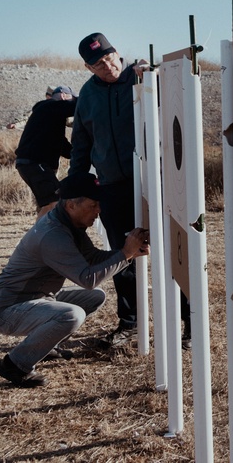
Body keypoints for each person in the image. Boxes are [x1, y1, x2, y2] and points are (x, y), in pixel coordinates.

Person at [69, 33, 191, 349]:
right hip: (111, 188)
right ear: (88, 67)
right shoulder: (87, 95)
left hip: (153, 182)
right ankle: (130, 324)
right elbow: (81, 144)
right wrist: (76, 185)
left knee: (170, 251)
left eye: (110, 58)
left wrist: (153, 74)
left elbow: (176, 97)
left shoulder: (141, 77)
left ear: (117, 53)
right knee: (122, 256)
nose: (108, 66)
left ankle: (188, 322)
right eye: (98, 64)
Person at [0, 172, 151, 387]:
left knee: (94, 297)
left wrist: (127, 252)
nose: (99, 211)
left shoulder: (66, 223)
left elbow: (91, 258)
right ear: (71, 205)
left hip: (36, 299)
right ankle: (15, 364)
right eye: (93, 205)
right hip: (8, 311)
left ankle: (44, 346)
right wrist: (125, 254)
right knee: (72, 315)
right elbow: (88, 278)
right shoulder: (53, 235)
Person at [13, 85, 77, 219]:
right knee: (55, 203)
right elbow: (75, 107)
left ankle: (41, 237)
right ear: (64, 96)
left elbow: (61, 144)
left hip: (30, 164)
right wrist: (90, 97)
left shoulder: (50, 115)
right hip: (35, 163)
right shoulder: (50, 106)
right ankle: (38, 238)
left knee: (49, 205)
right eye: (71, 99)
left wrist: (78, 155)